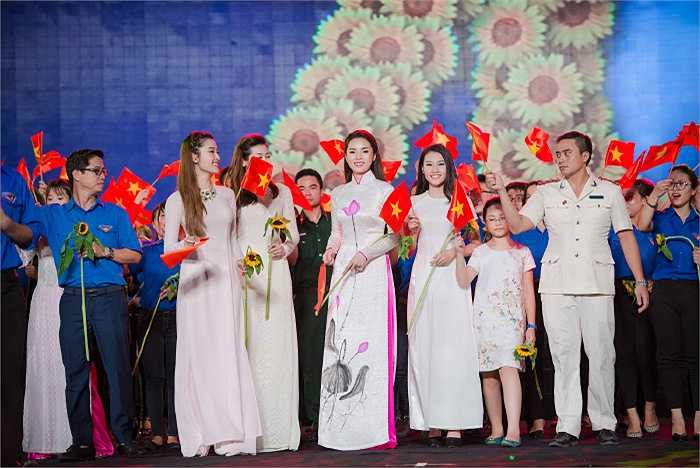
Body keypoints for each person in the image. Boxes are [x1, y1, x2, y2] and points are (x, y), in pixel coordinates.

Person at [486, 131, 649, 447]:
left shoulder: (610, 192)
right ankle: (568, 425)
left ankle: (604, 422)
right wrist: (503, 191)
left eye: (566, 153)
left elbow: (626, 235)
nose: (559, 159)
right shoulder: (546, 193)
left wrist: (640, 280)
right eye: (557, 154)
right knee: (563, 356)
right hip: (557, 284)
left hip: (597, 283)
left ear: (585, 156)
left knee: (602, 354)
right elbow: (518, 225)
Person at [35, 149, 144, 460]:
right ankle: (82, 441)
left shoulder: (115, 214)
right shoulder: (55, 215)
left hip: (109, 297)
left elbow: (135, 255)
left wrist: (105, 251)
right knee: (75, 370)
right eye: (96, 170)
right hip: (73, 298)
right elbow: (25, 230)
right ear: (76, 174)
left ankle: (124, 436)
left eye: (103, 171)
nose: (102, 176)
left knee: (116, 368)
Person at [164, 131, 260, 457]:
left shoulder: (227, 195)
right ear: (194, 157)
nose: (218, 157)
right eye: (211, 151)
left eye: (217, 152)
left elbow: (232, 240)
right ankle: (202, 430)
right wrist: (186, 243)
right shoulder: (177, 200)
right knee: (200, 351)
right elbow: (168, 250)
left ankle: (230, 432)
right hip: (196, 279)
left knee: (227, 349)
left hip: (227, 280)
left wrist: (241, 262)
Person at [319, 129, 399, 450]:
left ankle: (372, 428)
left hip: (373, 271)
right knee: (340, 339)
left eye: (364, 151)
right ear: (345, 156)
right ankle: (339, 426)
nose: (358, 157)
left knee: (371, 343)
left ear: (374, 155)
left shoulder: (385, 190)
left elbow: (393, 236)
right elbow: (337, 233)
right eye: (352, 151)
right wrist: (330, 251)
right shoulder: (338, 193)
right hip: (343, 271)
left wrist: (366, 254)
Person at [224, 133, 300, 452]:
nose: (266, 161)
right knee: (250, 346)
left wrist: (285, 247)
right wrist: (236, 261)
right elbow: (227, 236)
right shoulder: (230, 192)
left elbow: (292, 236)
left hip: (276, 273)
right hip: (247, 274)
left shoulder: (281, 192)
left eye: (268, 156)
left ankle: (279, 431)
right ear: (244, 161)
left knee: (277, 346)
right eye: (258, 157)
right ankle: (249, 432)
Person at [406, 144, 483, 447]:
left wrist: (454, 252)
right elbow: (406, 250)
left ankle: (455, 424)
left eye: (440, 164)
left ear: (448, 167)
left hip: (452, 281)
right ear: (421, 170)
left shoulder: (459, 200)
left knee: (452, 348)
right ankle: (432, 423)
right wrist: (410, 232)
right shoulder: (413, 203)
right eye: (429, 164)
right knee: (425, 347)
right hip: (423, 279)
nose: (434, 170)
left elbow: (477, 242)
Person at [455, 198, 536, 448]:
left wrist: (531, 326)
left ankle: (513, 429)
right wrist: (458, 253)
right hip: (484, 321)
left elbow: (528, 292)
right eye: (492, 219)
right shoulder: (480, 252)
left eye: (502, 218)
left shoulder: (522, 252)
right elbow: (463, 280)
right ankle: (497, 427)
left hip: (512, 322)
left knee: (509, 369)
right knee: (489, 375)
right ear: (485, 223)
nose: (498, 223)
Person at [638, 164, 699, 440]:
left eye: (682, 184)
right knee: (668, 354)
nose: (675, 189)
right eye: (672, 183)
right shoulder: (661, 218)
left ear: (694, 190)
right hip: (663, 291)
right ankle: (676, 417)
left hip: (693, 290)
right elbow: (641, 225)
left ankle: (698, 414)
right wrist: (654, 195)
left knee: (695, 354)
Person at [22, 180, 73, 459]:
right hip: (43, 302)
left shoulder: (74, 225)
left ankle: (71, 436)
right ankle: (41, 439)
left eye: (60, 197)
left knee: (65, 364)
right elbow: (23, 254)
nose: (54, 202)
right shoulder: (40, 226)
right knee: (41, 364)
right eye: (50, 198)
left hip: (66, 295)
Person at [608, 179, 659, 438]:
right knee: (624, 355)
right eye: (622, 198)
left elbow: (644, 221)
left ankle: (650, 407)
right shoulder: (610, 229)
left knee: (646, 353)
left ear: (645, 201)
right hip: (616, 294)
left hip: (647, 292)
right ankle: (632, 415)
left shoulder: (650, 228)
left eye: (630, 198)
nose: (624, 203)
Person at [130, 202, 180, 451]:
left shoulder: (184, 251)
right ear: (154, 223)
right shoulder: (145, 252)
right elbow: (135, 277)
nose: (165, 221)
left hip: (178, 319)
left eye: (170, 216)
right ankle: (157, 432)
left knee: (175, 376)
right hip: (150, 318)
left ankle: (174, 431)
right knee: (153, 376)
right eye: (161, 217)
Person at [1, 164, 42, 467]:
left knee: (10, 373)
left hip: (6, 286)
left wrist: (6, 224)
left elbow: (30, 234)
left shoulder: (13, 180)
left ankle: (8, 453)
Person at [289, 168, 331, 441]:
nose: (307, 193)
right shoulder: (291, 227)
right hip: (305, 299)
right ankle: (314, 418)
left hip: (335, 294)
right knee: (311, 358)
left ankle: (337, 412)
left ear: (322, 190)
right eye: (301, 188)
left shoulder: (335, 222)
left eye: (312, 187)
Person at [512, 180, 554, 437]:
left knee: (559, 356)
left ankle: (566, 414)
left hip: (558, 293)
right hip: (528, 295)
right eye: (532, 197)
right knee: (532, 357)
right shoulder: (519, 232)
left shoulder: (561, 227)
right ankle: (536, 416)